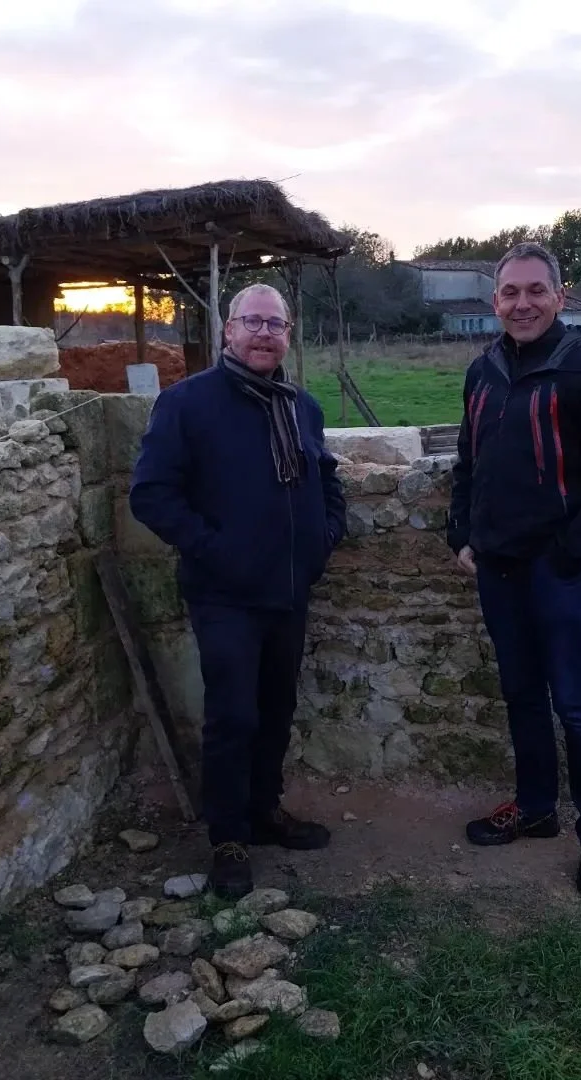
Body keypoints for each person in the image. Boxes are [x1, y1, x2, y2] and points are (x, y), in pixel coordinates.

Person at [129, 283, 347, 900]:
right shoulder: (187, 404)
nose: (263, 334)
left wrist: (325, 535)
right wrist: (218, 550)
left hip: (288, 589)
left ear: (288, 335)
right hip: (224, 594)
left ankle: (263, 811)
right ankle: (227, 838)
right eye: (252, 322)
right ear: (228, 331)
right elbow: (151, 494)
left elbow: (326, 476)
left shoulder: (300, 406)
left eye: (275, 325)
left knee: (276, 707)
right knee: (233, 716)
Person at [446, 242, 581, 896]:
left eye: (537, 290)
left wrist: (570, 553)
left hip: (557, 571)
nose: (523, 303)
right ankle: (534, 808)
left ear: (560, 297)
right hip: (498, 568)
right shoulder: (483, 371)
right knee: (522, 694)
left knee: (577, 704)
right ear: (495, 301)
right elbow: (469, 463)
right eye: (511, 292)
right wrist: (462, 533)